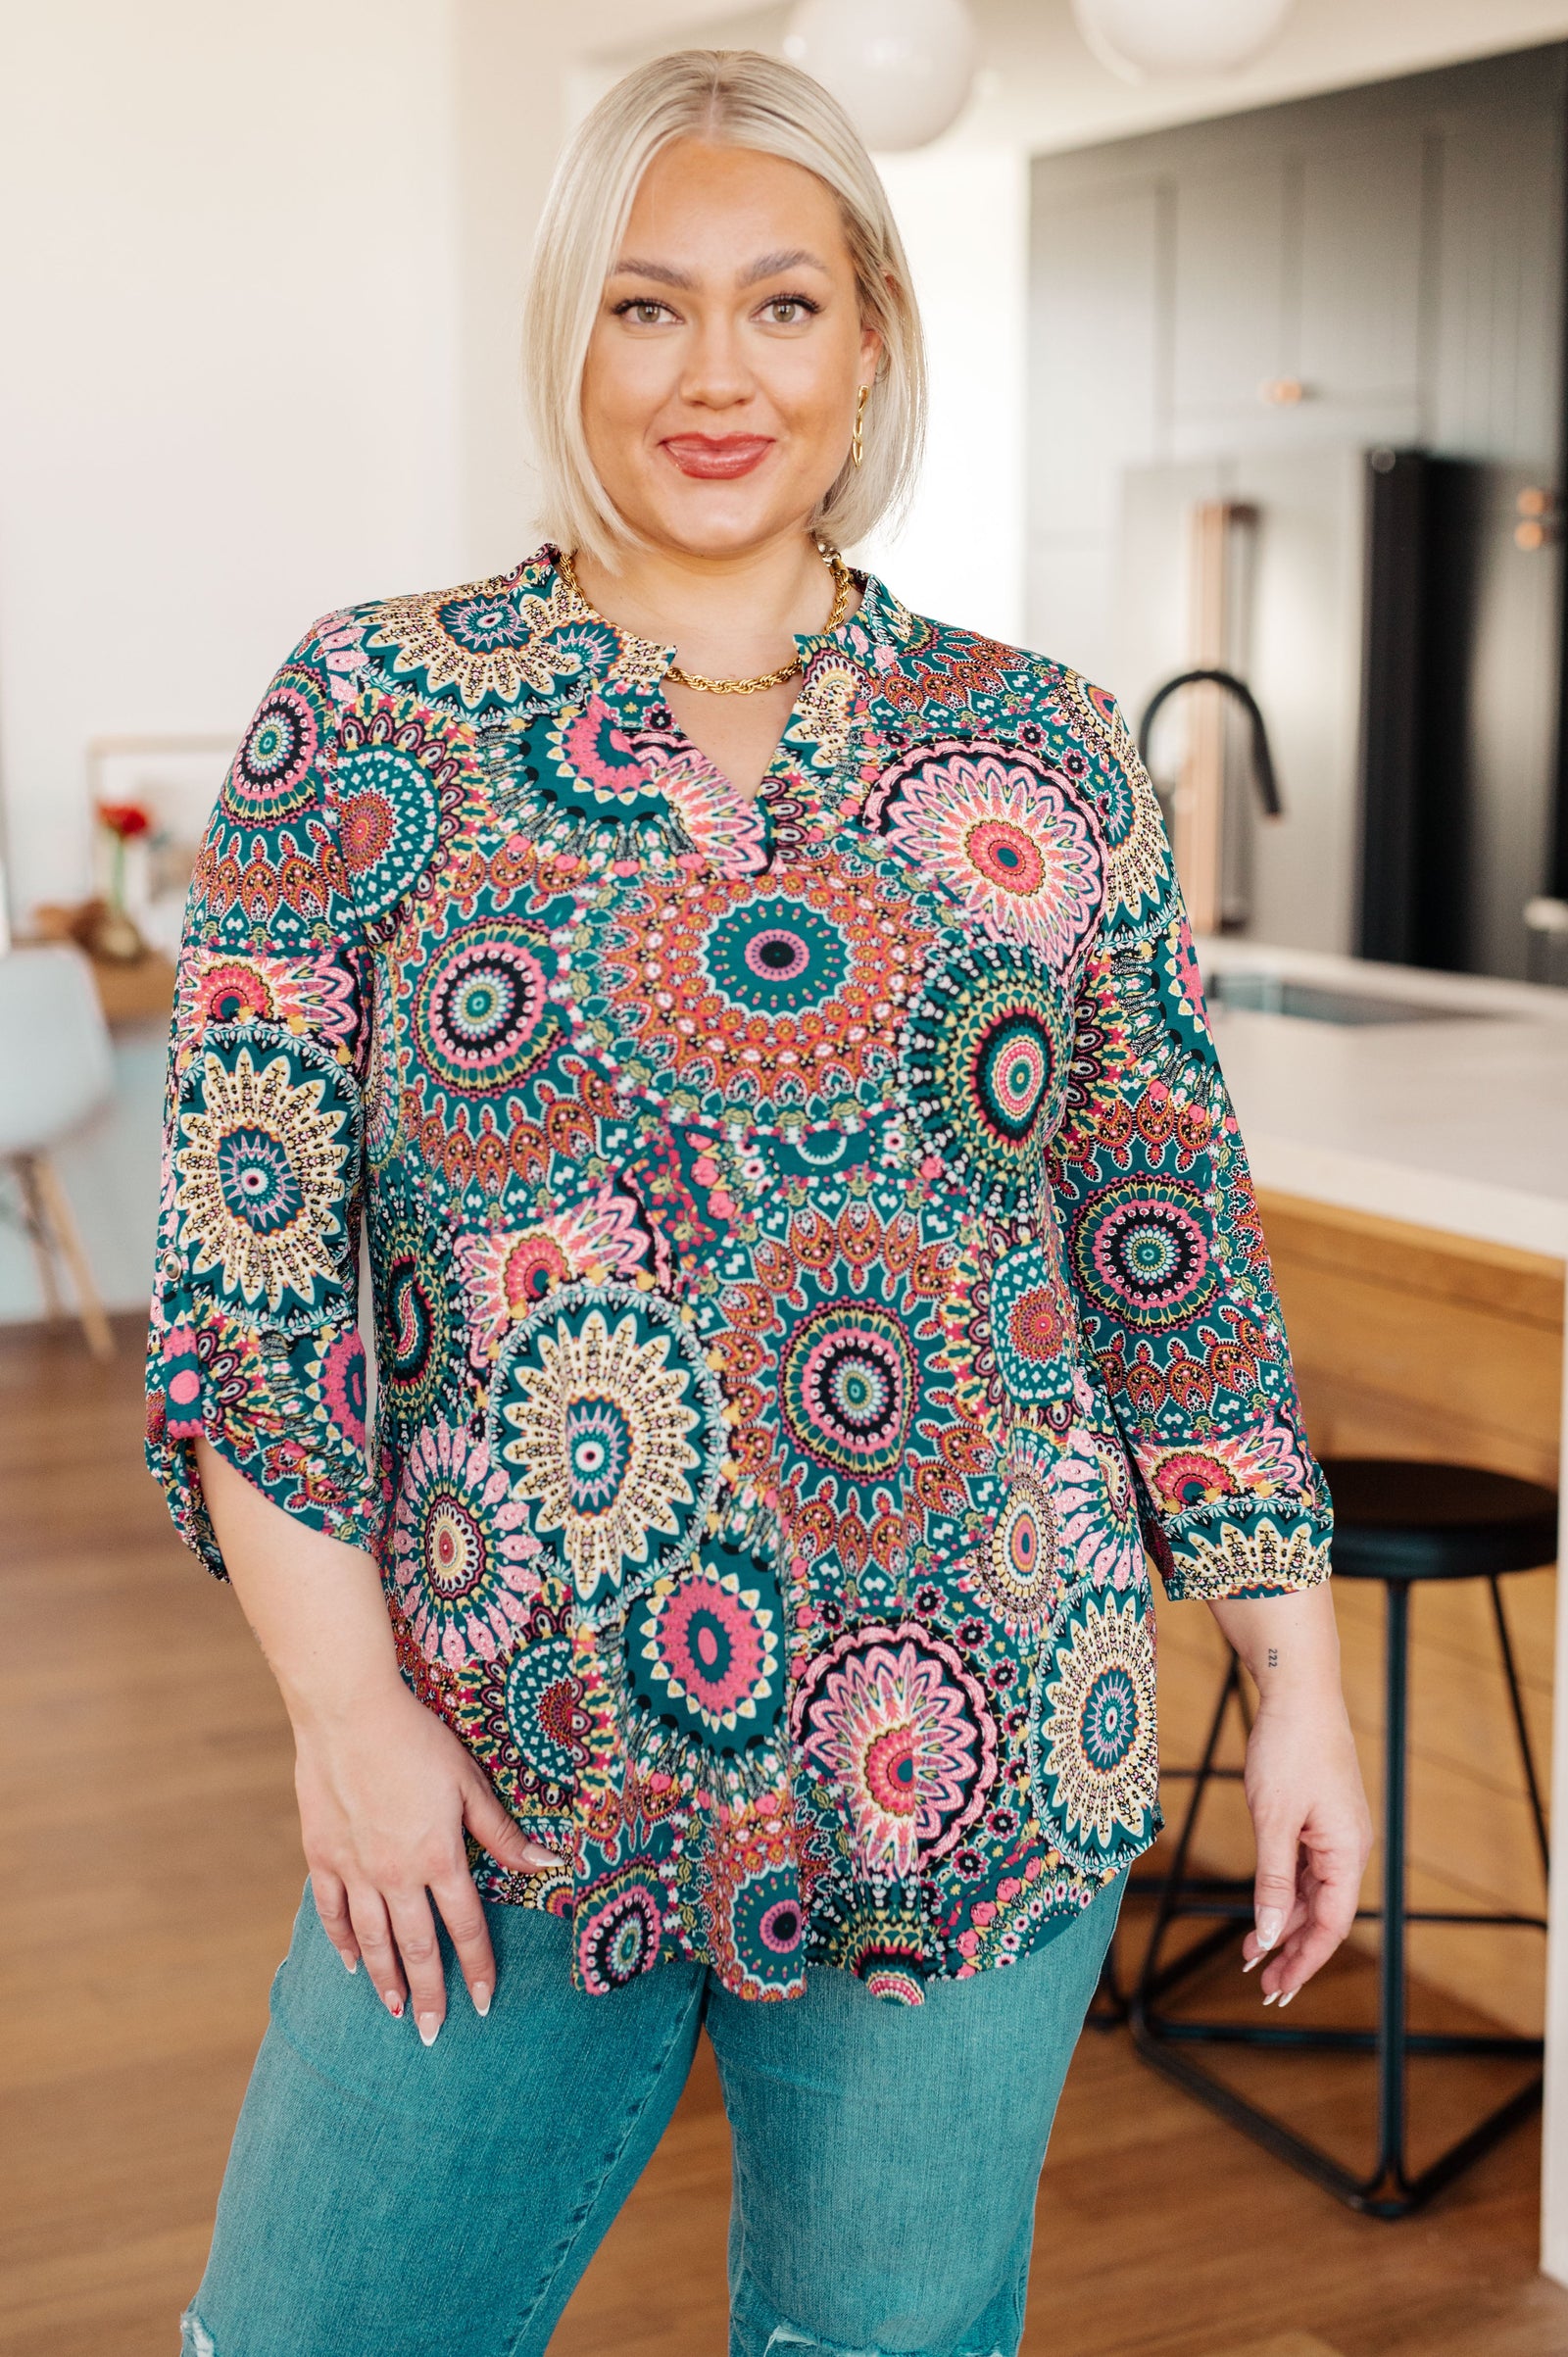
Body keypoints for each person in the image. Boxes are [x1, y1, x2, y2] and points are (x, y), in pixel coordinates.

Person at [147, 46, 1370, 2357]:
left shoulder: (1042, 749)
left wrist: (1289, 1681)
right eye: (647, 305)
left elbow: (1166, 1249)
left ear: (869, 339)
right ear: (569, 335)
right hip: (495, 1764)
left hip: (974, 1758)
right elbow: (249, 1280)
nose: (716, 375)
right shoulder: (372, 714)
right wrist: (344, 1717)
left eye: (780, 305)